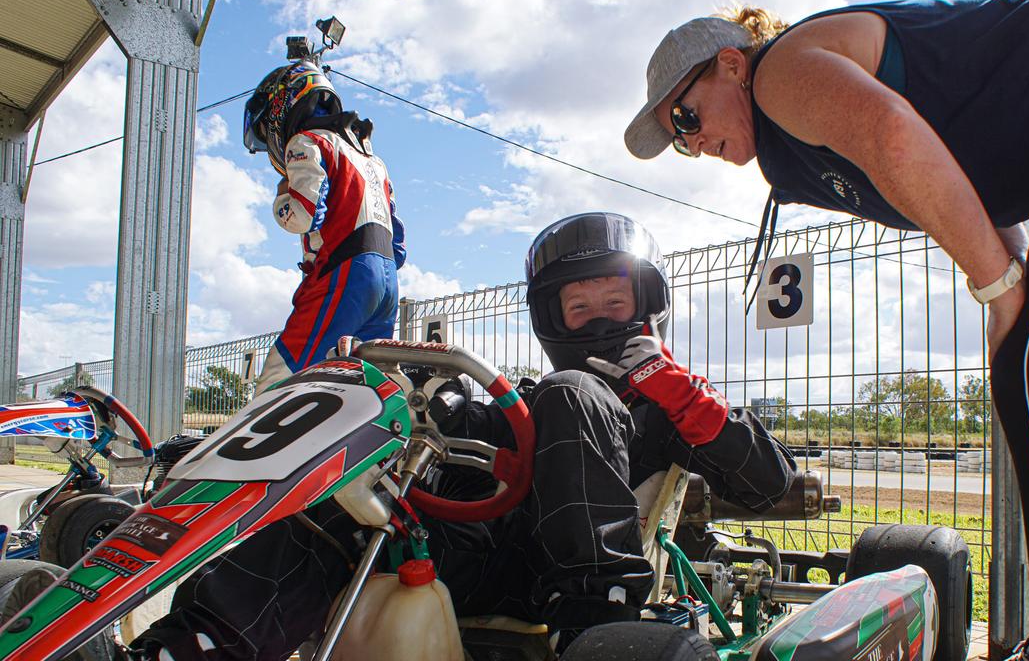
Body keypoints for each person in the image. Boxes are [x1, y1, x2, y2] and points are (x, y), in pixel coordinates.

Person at [625, 0, 1029, 661]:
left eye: (685, 117)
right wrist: (1013, 285)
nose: (692, 144)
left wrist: (998, 289)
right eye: (680, 140)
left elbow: (894, 135)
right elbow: (973, 184)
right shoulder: (797, 147)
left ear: (731, 63)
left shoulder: (781, 74)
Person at [119, 211, 794, 659]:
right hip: (463, 561)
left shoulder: (670, 410)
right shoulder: (520, 403)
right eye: (577, 307)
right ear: (549, 318)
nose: (594, 322)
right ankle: (199, 642)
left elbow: (772, 485)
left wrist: (683, 396)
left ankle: (597, 621)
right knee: (350, 499)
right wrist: (412, 403)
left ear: (644, 308)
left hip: (571, 594)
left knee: (565, 394)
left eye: (611, 305)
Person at [243, 59, 407, 391]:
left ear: (281, 107)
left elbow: (301, 214)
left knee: (281, 381)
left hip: (345, 276)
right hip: (387, 283)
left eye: (265, 133)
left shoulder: (306, 142)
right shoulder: (372, 159)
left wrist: (281, 199)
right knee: (364, 391)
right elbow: (399, 247)